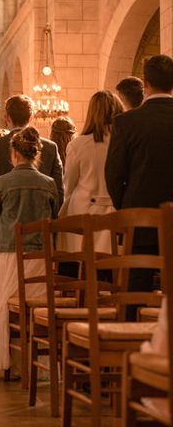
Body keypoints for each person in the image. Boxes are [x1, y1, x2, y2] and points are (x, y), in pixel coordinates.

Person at [0, 127, 59, 380]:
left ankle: (4, 363)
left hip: (8, 253)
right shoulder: (49, 183)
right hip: (39, 256)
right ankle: (37, 363)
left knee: (3, 306)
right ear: (37, 154)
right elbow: (53, 219)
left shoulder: (1, 183)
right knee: (36, 308)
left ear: (13, 153)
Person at [106, 54, 173, 293]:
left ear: (145, 82)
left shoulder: (126, 122)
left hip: (138, 218)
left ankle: (133, 328)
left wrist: (126, 209)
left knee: (136, 288)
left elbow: (114, 175)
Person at [0, 95, 64, 243]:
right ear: (31, 117)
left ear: (7, 117)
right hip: (41, 233)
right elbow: (59, 193)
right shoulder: (50, 148)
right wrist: (52, 227)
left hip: (5, 233)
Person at [58, 91, 123, 253]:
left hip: (83, 211)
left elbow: (69, 183)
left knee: (82, 259)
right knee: (111, 260)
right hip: (115, 211)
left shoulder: (78, 145)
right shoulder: (123, 142)